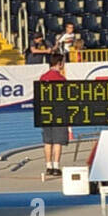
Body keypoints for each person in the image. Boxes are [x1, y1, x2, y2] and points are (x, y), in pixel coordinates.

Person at [39, 52, 68, 180]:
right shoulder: (61, 79)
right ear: (59, 63)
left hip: (45, 112)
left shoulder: (43, 77)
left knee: (47, 141)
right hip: (58, 112)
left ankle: (48, 166)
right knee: (57, 141)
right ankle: (56, 167)